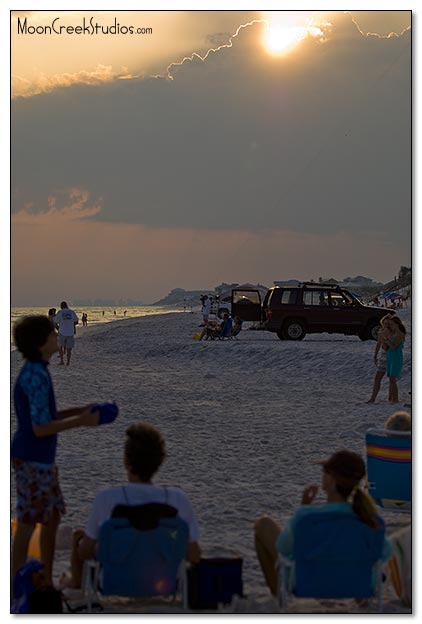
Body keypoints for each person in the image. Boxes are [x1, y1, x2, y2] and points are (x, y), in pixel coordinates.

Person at [11, 315, 101, 595]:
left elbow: (46, 416)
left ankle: (46, 580)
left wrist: (80, 410)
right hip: (32, 455)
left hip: (41, 458)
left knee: (51, 517)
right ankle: (15, 585)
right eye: (52, 334)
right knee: (28, 519)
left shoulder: (39, 369)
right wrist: (82, 422)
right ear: (41, 343)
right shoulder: (35, 374)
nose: (56, 337)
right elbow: (40, 428)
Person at [60, 421, 201, 589]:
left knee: (80, 537)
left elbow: (84, 553)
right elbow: (194, 555)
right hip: (164, 583)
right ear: (160, 460)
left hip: (114, 583)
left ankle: (73, 584)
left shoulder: (107, 498)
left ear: (126, 460)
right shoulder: (177, 499)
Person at [254, 450, 391, 597]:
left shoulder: (307, 517)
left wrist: (303, 509)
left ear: (331, 480)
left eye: (325, 472)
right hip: (359, 586)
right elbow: (384, 553)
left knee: (264, 524)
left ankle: (279, 597)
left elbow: (283, 547)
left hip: (308, 585)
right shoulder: (370, 520)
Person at [366, 314, 393, 404]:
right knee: (377, 378)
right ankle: (373, 398)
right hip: (383, 357)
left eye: (388, 324)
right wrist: (375, 355)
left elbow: (387, 347)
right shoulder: (382, 332)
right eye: (384, 323)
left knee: (391, 379)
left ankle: (391, 398)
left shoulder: (393, 333)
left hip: (391, 357)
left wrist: (385, 337)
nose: (386, 325)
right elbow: (378, 344)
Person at [383, 315, 406, 404]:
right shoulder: (392, 334)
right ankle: (392, 398)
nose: (391, 326)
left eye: (392, 324)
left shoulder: (400, 334)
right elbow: (386, 348)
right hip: (390, 356)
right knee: (390, 378)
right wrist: (384, 340)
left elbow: (393, 346)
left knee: (393, 378)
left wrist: (386, 338)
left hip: (396, 356)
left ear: (397, 324)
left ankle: (395, 399)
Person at [53, 302, 79, 366]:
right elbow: (76, 321)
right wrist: (70, 324)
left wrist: (58, 328)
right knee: (69, 349)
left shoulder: (60, 312)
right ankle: (68, 362)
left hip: (62, 331)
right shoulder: (71, 312)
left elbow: (55, 322)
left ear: (61, 306)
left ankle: (62, 361)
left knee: (60, 347)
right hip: (70, 332)